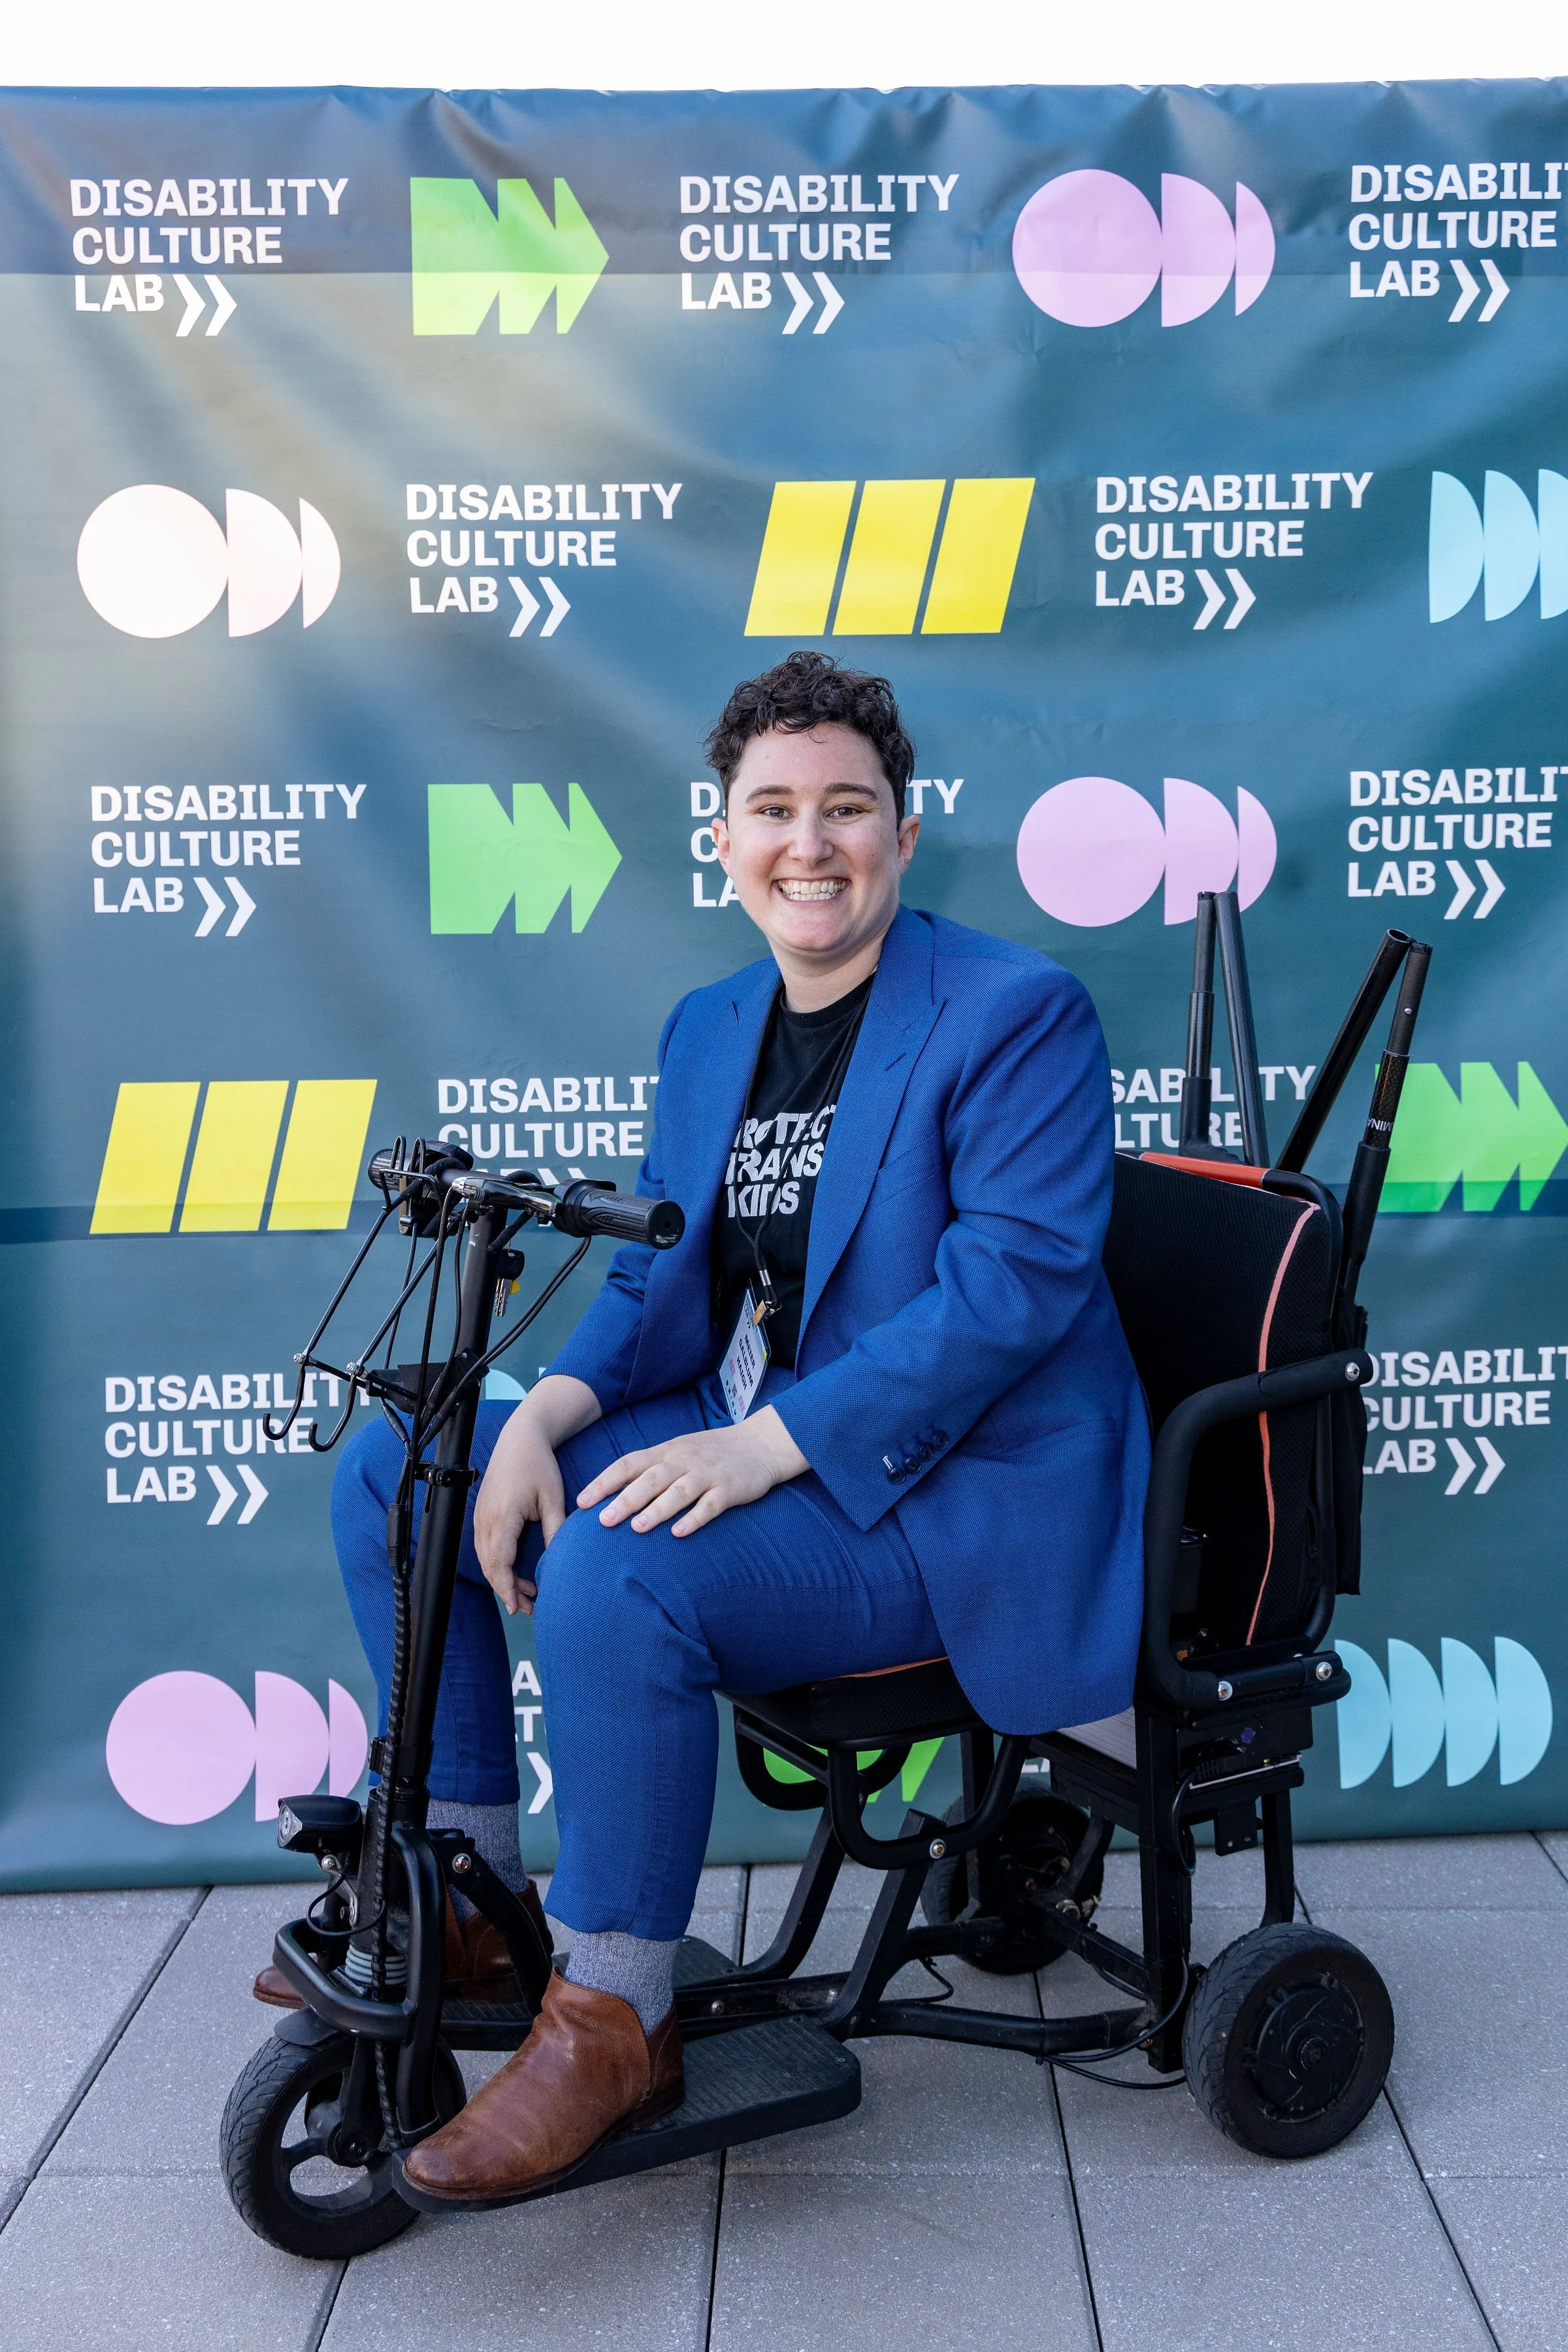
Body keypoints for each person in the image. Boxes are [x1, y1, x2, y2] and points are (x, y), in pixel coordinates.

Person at [260, 650, 1150, 2204]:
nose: (812, 843)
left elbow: (1008, 1292)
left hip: (944, 1494)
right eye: (776, 810)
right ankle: (471, 1896)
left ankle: (616, 2012)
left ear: (905, 828)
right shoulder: (713, 1021)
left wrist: (757, 1449)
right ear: (725, 837)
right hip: (758, 1436)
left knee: (622, 1566)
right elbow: (662, 1268)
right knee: (408, 1462)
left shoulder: (1017, 1015)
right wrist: (546, 1409)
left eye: (848, 809)